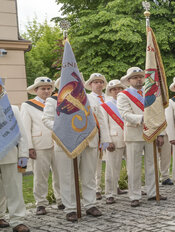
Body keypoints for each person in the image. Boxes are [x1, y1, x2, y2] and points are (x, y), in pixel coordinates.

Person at [43, 76, 109, 222]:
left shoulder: (90, 99)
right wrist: (65, 131)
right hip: (66, 143)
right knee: (68, 177)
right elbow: (46, 119)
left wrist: (105, 139)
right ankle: (71, 208)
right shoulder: (53, 101)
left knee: (89, 176)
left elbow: (101, 120)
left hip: (89, 141)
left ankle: (90, 204)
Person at [117, 66, 166, 207]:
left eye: (140, 77)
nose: (138, 79)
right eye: (135, 77)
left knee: (152, 164)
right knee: (134, 167)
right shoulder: (123, 95)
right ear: (129, 80)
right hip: (134, 133)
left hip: (151, 132)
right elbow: (125, 114)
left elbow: (158, 113)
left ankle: (153, 192)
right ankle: (134, 195)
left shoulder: (150, 92)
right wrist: (144, 118)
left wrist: (160, 133)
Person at [21, 77, 63, 215]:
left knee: (60, 174)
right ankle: (41, 203)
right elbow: (25, 128)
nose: (46, 91)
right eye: (43, 88)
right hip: (39, 144)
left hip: (58, 143)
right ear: (35, 90)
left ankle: (61, 200)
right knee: (40, 176)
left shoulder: (58, 102)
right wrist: (29, 147)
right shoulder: (28, 105)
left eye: (49, 88)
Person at [0, 105, 31, 232]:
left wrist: (23, 155)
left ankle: (17, 220)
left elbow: (22, 134)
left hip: (11, 155)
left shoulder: (12, 109)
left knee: (15, 189)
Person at [98, 79, 127, 204]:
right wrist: (107, 141)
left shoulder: (127, 102)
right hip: (114, 139)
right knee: (112, 168)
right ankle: (110, 193)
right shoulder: (106, 106)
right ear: (109, 92)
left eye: (119, 88)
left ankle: (135, 189)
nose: (117, 91)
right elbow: (103, 124)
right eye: (114, 89)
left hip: (130, 137)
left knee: (133, 166)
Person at [84, 73, 108, 200]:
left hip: (105, 134)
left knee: (107, 164)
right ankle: (96, 189)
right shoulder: (88, 98)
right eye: (95, 82)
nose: (99, 84)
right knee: (93, 165)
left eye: (101, 82)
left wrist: (106, 137)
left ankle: (110, 186)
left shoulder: (109, 98)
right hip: (93, 135)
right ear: (90, 85)